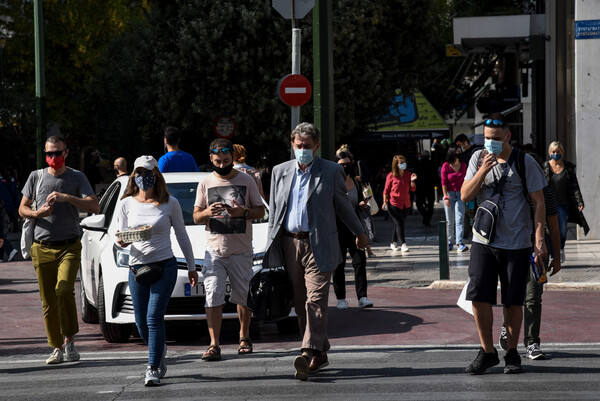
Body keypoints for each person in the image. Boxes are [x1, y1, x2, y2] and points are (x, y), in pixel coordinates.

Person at [262, 122, 367, 381]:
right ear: (292, 144)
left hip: (320, 243)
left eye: (307, 147)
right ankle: (321, 351)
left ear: (317, 146)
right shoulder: (279, 171)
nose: (303, 150)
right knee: (300, 305)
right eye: (298, 146)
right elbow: (275, 213)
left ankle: (307, 352)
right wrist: (270, 246)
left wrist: (360, 232)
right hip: (290, 243)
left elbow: (342, 206)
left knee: (316, 300)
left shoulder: (331, 171)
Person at [461, 113, 547, 375]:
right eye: (487, 139)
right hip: (483, 240)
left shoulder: (525, 162)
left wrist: (539, 239)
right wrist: (484, 170)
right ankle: (487, 352)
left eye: (496, 139)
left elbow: (539, 202)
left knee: (513, 301)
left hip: (516, 243)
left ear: (508, 136)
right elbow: (465, 195)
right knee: (478, 296)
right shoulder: (477, 158)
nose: (490, 144)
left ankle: (511, 352)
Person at [114, 155, 197, 386]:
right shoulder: (126, 203)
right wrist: (123, 241)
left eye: (147, 172)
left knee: (154, 317)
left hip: (165, 265)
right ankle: (158, 348)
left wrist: (191, 267)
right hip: (137, 267)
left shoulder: (170, 203)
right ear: (133, 176)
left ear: (156, 175)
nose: (143, 177)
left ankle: (152, 367)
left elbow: (182, 235)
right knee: (140, 322)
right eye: (138, 173)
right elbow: (119, 237)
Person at [18, 135, 100, 365]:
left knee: (64, 290)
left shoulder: (77, 177)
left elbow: (94, 205)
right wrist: (37, 214)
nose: (53, 157)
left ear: (66, 153)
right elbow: (22, 208)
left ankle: (70, 341)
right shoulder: (36, 176)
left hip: (69, 246)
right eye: (49, 153)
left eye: (57, 153)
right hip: (42, 247)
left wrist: (68, 198)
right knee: (48, 300)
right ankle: (56, 348)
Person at [193, 139, 264, 362]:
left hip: (241, 249)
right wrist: (207, 212)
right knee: (213, 294)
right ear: (210, 159)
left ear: (232, 157)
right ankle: (214, 344)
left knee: (242, 294)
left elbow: (260, 211)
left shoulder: (247, 180)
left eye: (226, 160)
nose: (222, 165)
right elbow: (196, 216)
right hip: (214, 249)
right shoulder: (205, 182)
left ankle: (244, 336)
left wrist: (242, 213)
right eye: (217, 161)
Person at [498, 149, 561, 361]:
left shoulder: (546, 194)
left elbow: (553, 227)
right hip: (511, 250)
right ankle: (507, 328)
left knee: (533, 297)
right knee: (512, 297)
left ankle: (532, 342)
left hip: (537, 254)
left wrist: (557, 257)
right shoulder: (511, 191)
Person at [333, 145, 373, 310]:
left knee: (359, 261)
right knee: (338, 264)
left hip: (356, 227)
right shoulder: (333, 182)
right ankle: (341, 298)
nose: (345, 167)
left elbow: (358, 202)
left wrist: (362, 204)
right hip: (338, 227)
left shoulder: (356, 182)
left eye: (347, 163)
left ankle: (362, 297)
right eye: (341, 164)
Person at [543, 141, 587, 264]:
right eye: (553, 152)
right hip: (548, 204)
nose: (556, 154)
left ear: (562, 152)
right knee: (548, 230)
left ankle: (560, 250)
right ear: (549, 153)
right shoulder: (545, 167)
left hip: (563, 205)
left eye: (558, 152)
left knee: (561, 230)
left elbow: (574, 186)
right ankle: (552, 252)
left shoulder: (568, 168)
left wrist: (579, 201)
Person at [383, 154, 417, 252]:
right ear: (396, 165)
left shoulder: (408, 174)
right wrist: (384, 202)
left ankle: (393, 243)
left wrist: (412, 181)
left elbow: (413, 188)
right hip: (394, 203)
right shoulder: (391, 176)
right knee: (399, 223)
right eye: (401, 163)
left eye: (404, 162)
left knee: (398, 223)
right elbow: (386, 190)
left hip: (406, 203)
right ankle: (403, 244)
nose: (403, 164)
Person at [441, 145, 469, 252]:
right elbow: (443, 182)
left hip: (461, 194)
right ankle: (449, 242)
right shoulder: (446, 166)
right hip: (449, 194)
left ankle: (460, 242)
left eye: (460, 151)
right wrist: (445, 196)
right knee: (449, 220)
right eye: (457, 151)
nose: (459, 153)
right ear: (452, 153)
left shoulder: (463, 165)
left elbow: (466, 179)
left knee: (460, 218)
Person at [414, 150, 436, 226]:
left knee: (419, 203)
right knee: (430, 204)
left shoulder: (418, 164)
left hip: (420, 187)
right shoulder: (432, 164)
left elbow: (415, 175)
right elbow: (435, 175)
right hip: (430, 186)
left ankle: (425, 216)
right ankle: (427, 218)